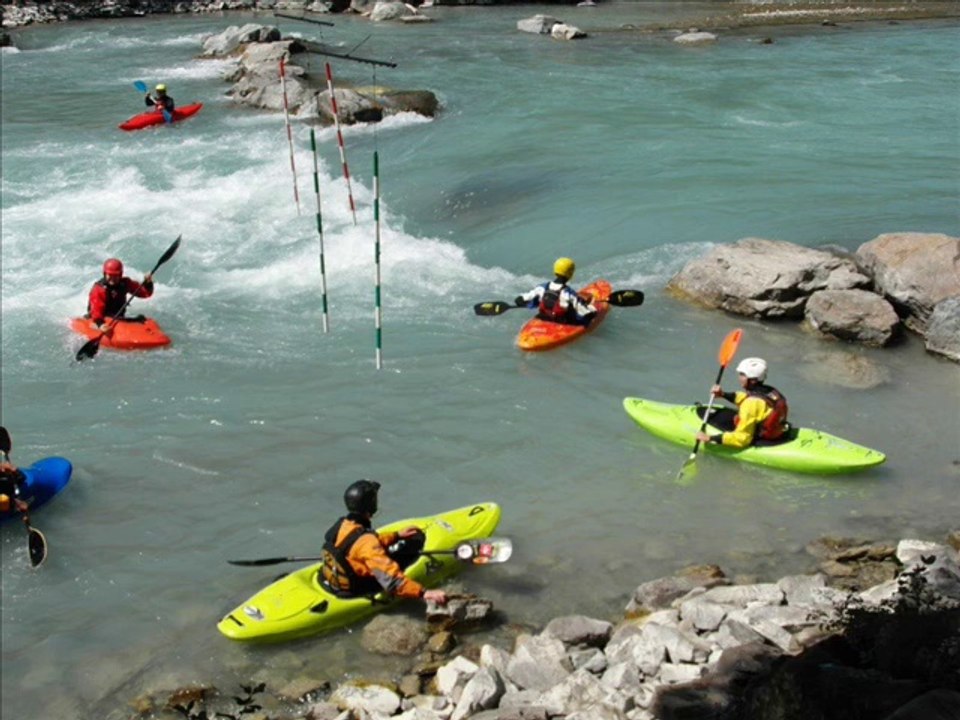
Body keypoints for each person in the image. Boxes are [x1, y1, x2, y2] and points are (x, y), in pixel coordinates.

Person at [320, 480, 448, 604]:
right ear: (371, 505)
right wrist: (424, 593)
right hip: (358, 587)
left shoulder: (342, 525)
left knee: (398, 545)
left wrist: (396, 536)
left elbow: (355, 543)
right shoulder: (367, 542)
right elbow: (391, 581)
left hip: (336, 580)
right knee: (412, 546)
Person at [695, 357, 790, 449]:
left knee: (722, 418)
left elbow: (743, 439)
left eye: (742, 374)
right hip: (777, 430)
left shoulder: (750, 404)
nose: (739, 377)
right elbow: (746, 398)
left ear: (752, 380)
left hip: (759, 436)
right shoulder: (769, 391)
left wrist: (710, 438)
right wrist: (723, 394)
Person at [514, 257, 598, 326]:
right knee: (589, 313)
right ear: (570, 274)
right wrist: (593, 311)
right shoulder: (568, 293)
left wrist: (521, 301)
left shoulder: (542, 287)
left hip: (544, 318)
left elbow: (519, 299)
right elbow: (585, 312)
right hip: (562, 322)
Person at [87, 258, 154, 332]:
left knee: (141, 319)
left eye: (115, 275)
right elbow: (96, 311)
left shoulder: (125, 283)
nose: (112, 278)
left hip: (118, 319)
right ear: (105, 274)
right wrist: (100, 324)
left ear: (120, 274)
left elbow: (145, 293)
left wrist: (148, 283)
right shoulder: (99, 289)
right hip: (100, 319)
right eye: (110, 275)